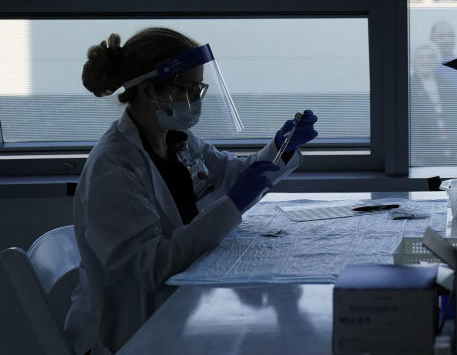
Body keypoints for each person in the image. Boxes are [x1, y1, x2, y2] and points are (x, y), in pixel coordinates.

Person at [65, 28, 318, 355]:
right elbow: (151, 268)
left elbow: (236, 176)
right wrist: (233, 204)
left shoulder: (175, 140)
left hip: (175, 305)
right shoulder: (114, 167)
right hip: (128, 331)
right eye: (186, 89)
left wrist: (282, 147)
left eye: (199, 88)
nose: (196, 100)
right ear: (148, 91)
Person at [409, 42, 457, 163]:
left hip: (452, 151)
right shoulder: (407, 87)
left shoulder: (447, 84)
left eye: (430, 57)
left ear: (436, 61)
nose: (426, 61)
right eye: (421, 57)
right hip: (424, 154)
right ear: (413, 62)